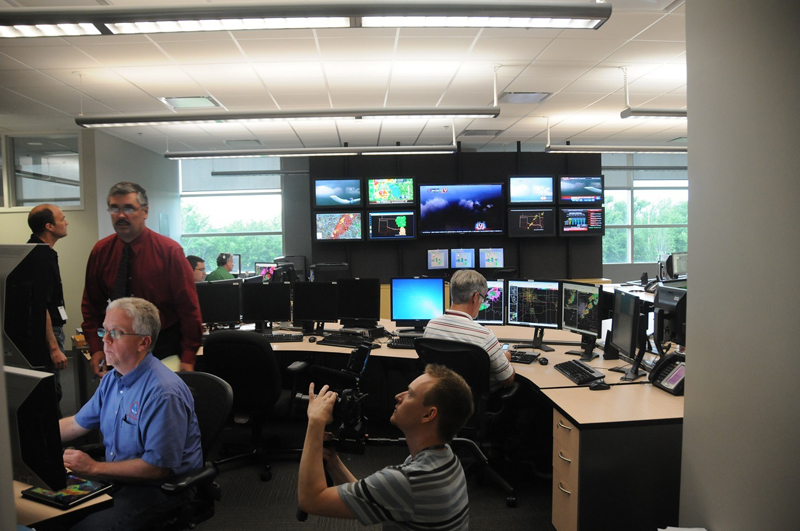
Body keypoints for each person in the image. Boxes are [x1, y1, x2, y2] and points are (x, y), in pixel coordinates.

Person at [60, 297, 203, 531]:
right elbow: (76, 424)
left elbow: (156, 468)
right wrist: (23, 437)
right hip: (119, 478)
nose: (104, 340)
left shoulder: (162, 393)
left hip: (162, 489)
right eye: (104, 331)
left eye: (115, 333)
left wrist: (94, 468)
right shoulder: (113, 379)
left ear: (143, 342)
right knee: (53, 511)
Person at [298, 365, 473, 530]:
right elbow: (376, 498)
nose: (399, 396)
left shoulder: (409, 480)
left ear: (428, 414)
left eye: (410, 394)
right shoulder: (446, 458)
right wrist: (333, 463)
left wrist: (315, 421)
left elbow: (311, 500)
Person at [82, 182, 202, 377]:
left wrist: (188, 357)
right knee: (121, 404)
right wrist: (96, 347)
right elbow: (91, 305)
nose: (121, 215)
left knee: (159, 404)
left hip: (163, 346)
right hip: (119, 344)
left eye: (129, 208)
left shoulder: (169, 252)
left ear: (145, 211)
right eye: (114, 208)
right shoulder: (101, 252)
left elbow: (188, 309)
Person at [424, 269, 515, 390]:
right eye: (482, 298)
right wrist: (505, 359)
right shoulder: (484, 335)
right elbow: (507, 379)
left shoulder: (431, 326)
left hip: (440, 398)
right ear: (475, 297)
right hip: (470, 402)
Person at [26, 204, 69, 411]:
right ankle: (53, 442)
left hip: (51, 331)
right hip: (48, 335)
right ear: (49, 226)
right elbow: (39, 304)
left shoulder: (44, 252)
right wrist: (54, 348)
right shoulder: (38, 257)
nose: (66, 222)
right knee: (51, 392)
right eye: (62, 219)